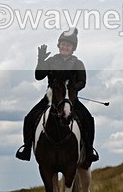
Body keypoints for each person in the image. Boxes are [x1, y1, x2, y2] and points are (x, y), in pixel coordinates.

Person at [15, 29, 99, 166]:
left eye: (69, 45)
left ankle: (89, 150)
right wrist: (40, 60)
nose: (65, 47)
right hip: (50, 98)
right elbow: (38, 76)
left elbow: (82, 82)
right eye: (63, 44)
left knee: (88, 119)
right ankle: (27, 148)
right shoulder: (51, 61)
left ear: (73, 48)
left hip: (70, 99)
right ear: (59, 45)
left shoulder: (78, 63)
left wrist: (70, 90)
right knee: (29, 117)